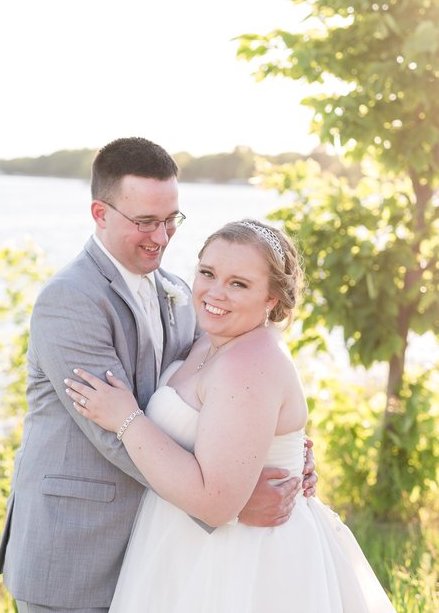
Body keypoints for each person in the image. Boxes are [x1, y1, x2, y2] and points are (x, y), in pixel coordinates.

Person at [0, 138, 317, 613]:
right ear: (100, 214)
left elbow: (209, 398)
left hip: (160, 550)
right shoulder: (70, 301)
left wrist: (276, 450)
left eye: (170, 220)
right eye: (145, 222)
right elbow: (110, 431)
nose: (161, 238)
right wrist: (229, 500)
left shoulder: (181, 293)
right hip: (79, 546)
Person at [64, 219, 396, 612]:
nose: (214, 292)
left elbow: (216, 502)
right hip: (187, 547)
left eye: (239, 283)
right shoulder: (213, 339)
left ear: (272, 299)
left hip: (242, 562)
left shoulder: (249, 362)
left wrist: (126, 418)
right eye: (207, 273)